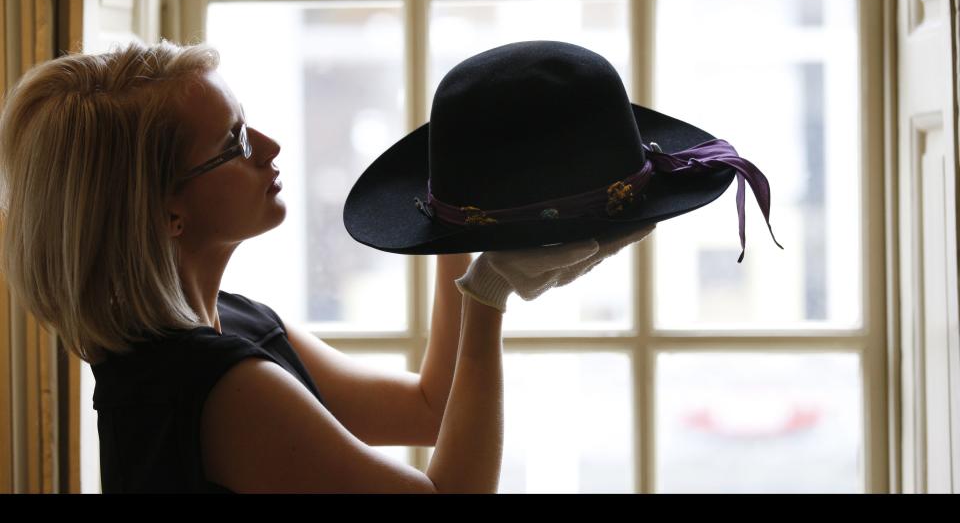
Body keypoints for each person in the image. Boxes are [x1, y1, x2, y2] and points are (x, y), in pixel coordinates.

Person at [0, 40, 650, 493]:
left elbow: (429, 408)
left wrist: (460, 218)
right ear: (167, 211)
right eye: (234, 142)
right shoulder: (215, 389)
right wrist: (486, 297)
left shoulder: (229, 325)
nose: (271, 148)